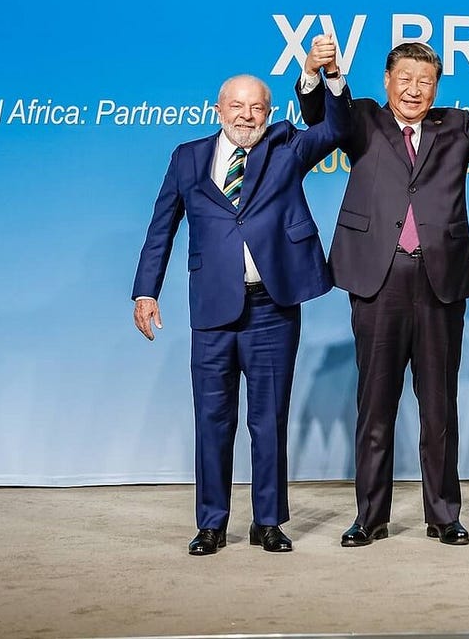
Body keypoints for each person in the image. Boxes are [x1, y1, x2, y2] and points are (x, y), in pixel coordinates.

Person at [132, 42, 351, 556]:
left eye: (257, 108)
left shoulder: (287, 146)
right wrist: (146, 290)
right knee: (212, 419)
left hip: (272, 308)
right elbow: (161, 227)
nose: (247, 116)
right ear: (218, 109)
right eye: (237, 106)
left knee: (268, 420)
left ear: (269, 113)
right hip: (212, 309)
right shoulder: (187, 157)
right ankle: (211, 522)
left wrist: (331, 76)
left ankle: (268, 521)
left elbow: (339, 129)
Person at [296, 39, 469, 547]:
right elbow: (324, 115)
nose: (415, 89)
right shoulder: (362, 119)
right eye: (406, 79)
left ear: (437, 87)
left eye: (425, 81)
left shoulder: (453, 125)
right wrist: (317, 74)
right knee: (376, 404)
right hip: (379, 277)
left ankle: (444, 515)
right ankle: (370, 516)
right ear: (387, 81)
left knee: (439, 406)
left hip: (440, 278)